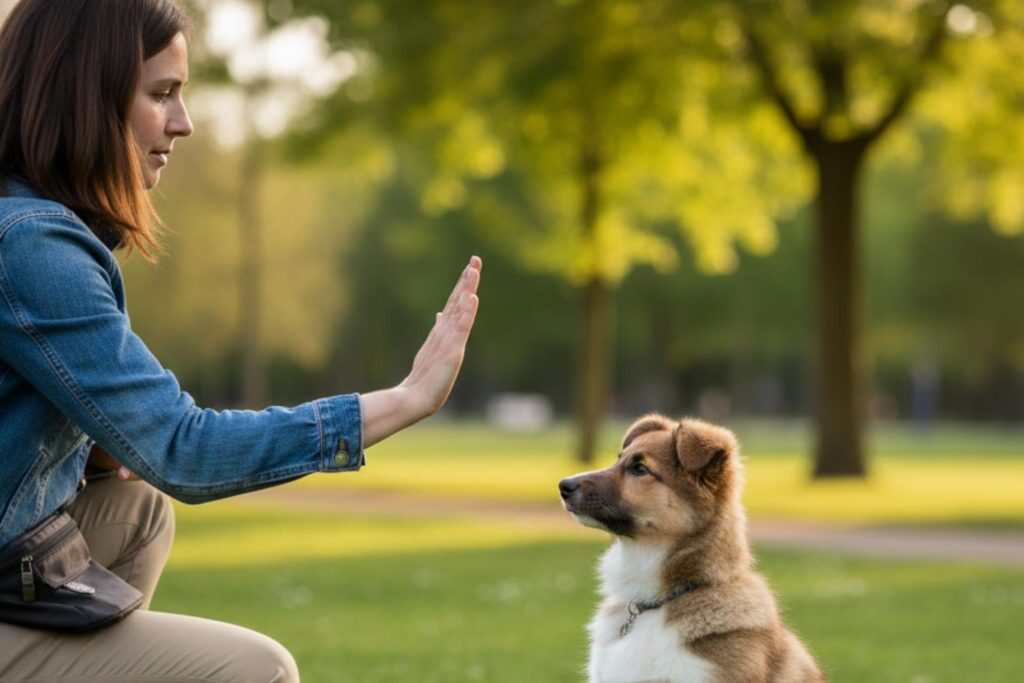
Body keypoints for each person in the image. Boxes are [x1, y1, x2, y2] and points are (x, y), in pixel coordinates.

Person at [0, 0, 481, 680]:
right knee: (258, 668)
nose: (184, 122)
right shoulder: (31, 249)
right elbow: (185, 452)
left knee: (137, 512)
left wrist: (95, 444)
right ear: (87, 97)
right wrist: (404, 400)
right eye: (161, 94)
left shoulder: (25, 226)